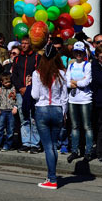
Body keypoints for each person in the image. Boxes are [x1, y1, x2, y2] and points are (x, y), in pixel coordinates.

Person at [31, 42, 68, 190]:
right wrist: (64, 113)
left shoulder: (37, 73)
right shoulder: (63, 73)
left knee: (48, 147)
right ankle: (51, 176)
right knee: (53, 146)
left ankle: (52, 179)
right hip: (58, 109)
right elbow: (65, 97)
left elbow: (35, 95)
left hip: (43, 109)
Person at [11, 36, 41, 153]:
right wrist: (21, 88)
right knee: (24, 118)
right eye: (22, 43)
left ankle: (35, 143)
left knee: (33, 117)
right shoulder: (18, 59)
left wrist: (29, 88)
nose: (23, 45)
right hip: (20, 92)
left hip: (33, 91)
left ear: (30, 44)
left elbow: (38, 74)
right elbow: (14, 75)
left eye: (26, 43)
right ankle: (26, 143)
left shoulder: (37, 57)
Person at [66, 42, 94, 163]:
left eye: (80, 52)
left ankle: (88, 152)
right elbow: (66, 82)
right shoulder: (71, 66)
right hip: (73, 100)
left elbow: (87, 81)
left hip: (85, 100)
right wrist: (77, 81)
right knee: (75, 126)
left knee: (87, 126)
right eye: (76, 52)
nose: (78, 54)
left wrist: (74, 82)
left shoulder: (87, 65)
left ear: (84, 53)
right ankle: (74, 150)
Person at [0, 72, 17, 157]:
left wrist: (15, 107)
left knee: (10, 129)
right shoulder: (0, 90)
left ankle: (7, 145)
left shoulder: (13, 89)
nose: (8, 84)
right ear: (2, 82)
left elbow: (17, 99)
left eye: (9, 82)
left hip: (11, 110)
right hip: (2, 110)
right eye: (6, 82)